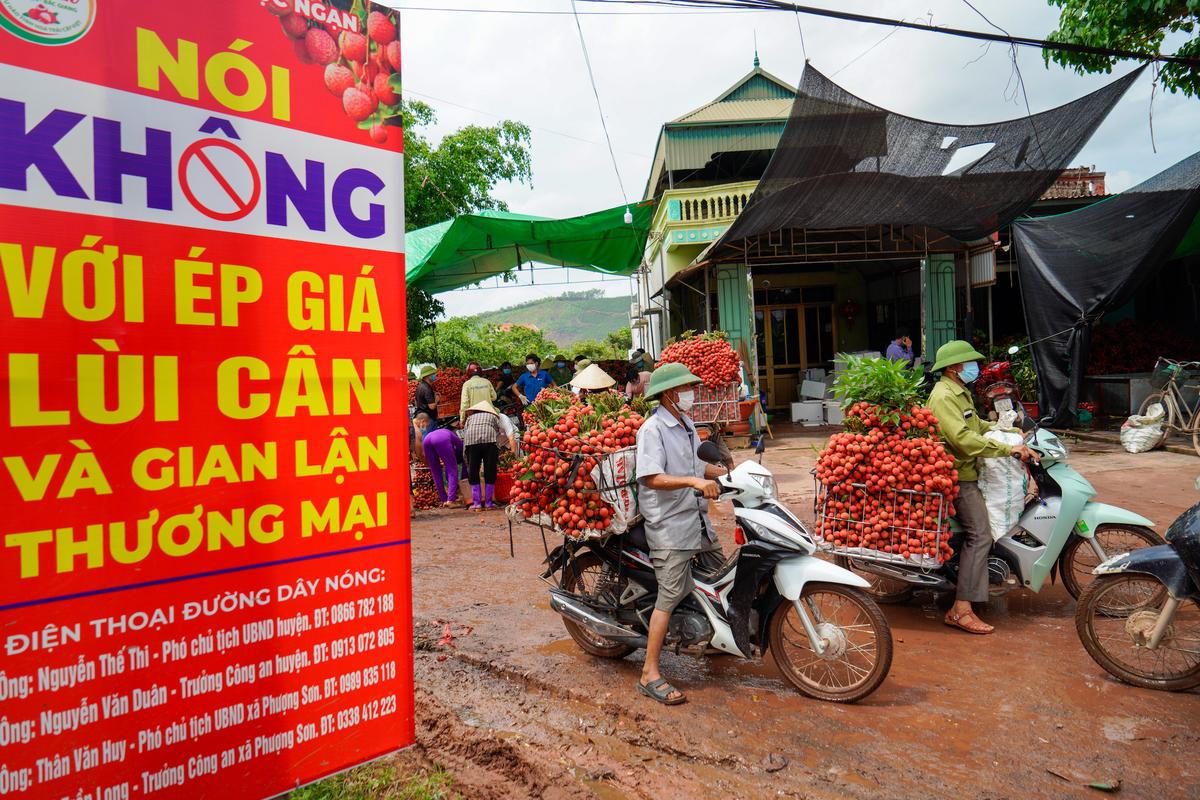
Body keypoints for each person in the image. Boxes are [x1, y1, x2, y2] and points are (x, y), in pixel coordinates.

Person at [928, 340, 1037, 635]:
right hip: (957, 477)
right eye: (970, 363)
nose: (974, 368)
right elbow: (963, 439)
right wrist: (1006, 450)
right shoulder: (943, 397)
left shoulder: (958, 391)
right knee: (981, 534)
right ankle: (960, 609)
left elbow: (975, 424)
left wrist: (1005, 430)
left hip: (967, 470)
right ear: (954, 367)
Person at [634, 362, 727, 705]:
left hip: (697, 519)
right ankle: (650, 673)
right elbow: (650, 476)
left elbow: (693, 464)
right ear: (671, 394)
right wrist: (693, 481)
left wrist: (721, 473)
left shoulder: (687, 424)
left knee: (720, 574)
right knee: (670, 595)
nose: (691, 393)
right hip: (669, 524)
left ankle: (713, 634)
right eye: (686, 387)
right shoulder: (653, 429)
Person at [461, 401, 507, 511]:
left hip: (471, 443)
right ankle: (488, 503)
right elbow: (498, 431)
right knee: (489, 470)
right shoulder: (492, 416)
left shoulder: (470, 418)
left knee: (473, 470)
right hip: (489, 442)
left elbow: (466, 431)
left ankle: (476, 504)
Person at [414, 412, 465, 507]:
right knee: (452, 469)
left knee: (436, 472)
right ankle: (451, 500)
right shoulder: (453, 437)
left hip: (427, 440)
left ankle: (444, 499)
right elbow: (460, 449)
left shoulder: (430, 432)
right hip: (441, 439)